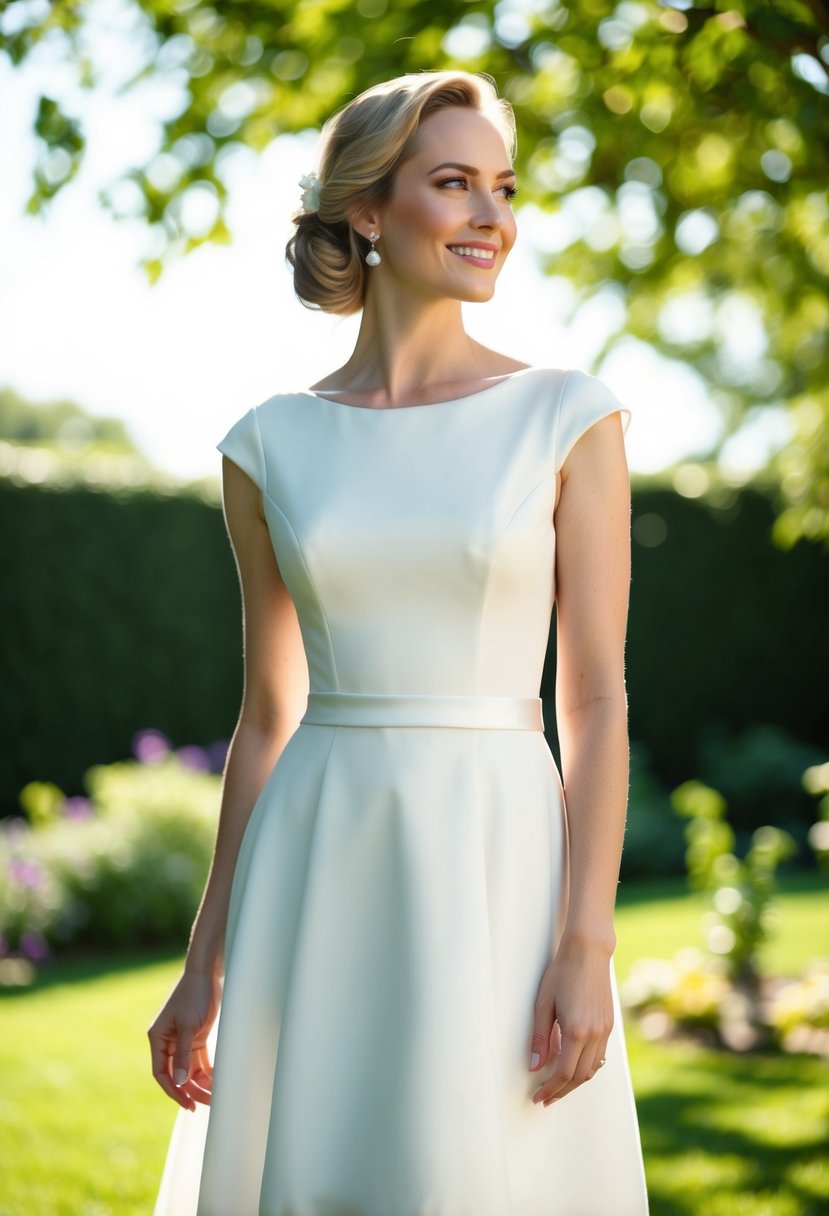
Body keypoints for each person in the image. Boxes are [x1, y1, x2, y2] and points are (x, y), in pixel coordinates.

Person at [148, 68, 649, 1216]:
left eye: (504, 188)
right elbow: (265, 718)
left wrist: (586, 941)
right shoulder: (265, 444)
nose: (492, 217)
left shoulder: (569, 415)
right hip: (317, 856)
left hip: (497, 854)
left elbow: (597, 701)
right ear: (368, 212)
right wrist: (203, 962)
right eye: (453, 183)